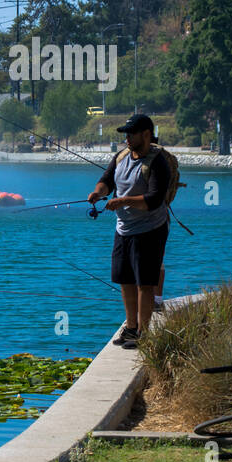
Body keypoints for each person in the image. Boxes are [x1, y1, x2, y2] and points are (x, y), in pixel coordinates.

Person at [87, 113, 170, 348]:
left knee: (145, 282)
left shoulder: (158, 162)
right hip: (123, 229)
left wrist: (122, 201)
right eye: (125, 134)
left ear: (146, 134)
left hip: (150, 229)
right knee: (125, 279)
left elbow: (153, 200)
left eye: (131, 134)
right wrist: (99, 192)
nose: (127, 138)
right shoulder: (121, 156)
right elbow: (107, 180)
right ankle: (131, 327)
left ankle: (144, 333)